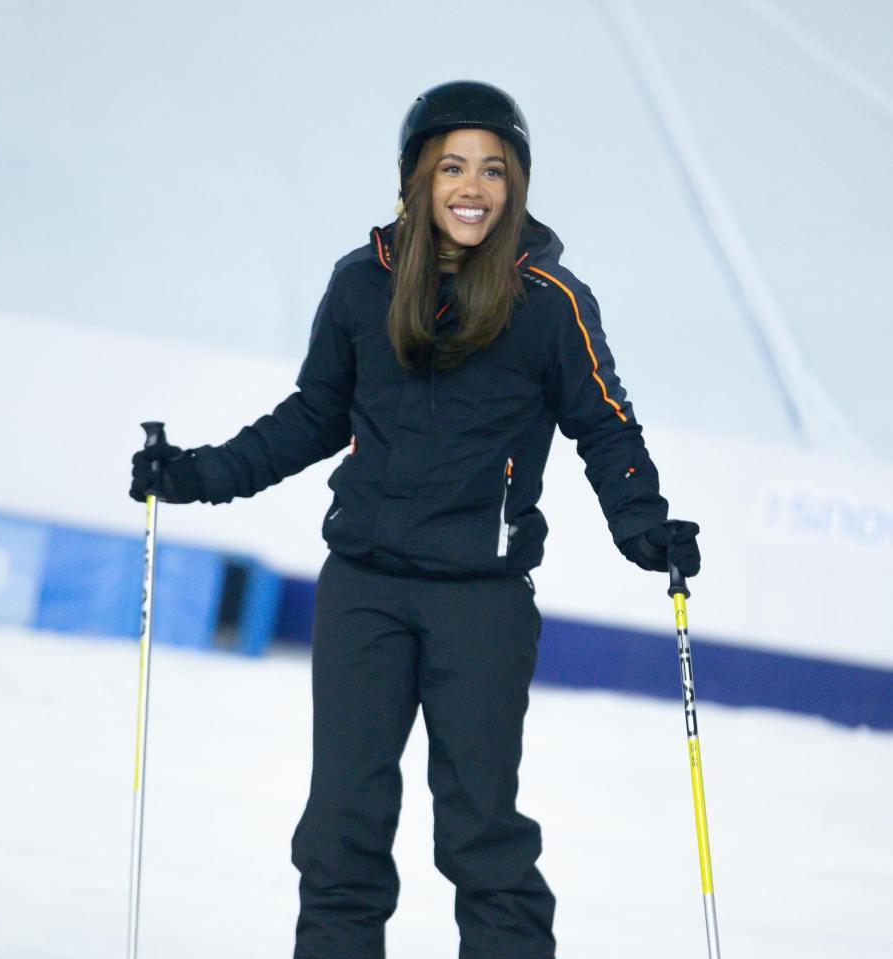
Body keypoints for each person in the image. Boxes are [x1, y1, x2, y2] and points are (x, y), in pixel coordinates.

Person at [130, 80, 701, 959]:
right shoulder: (362, 284)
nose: (472, 188)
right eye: (451, 167)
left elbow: (604, 424)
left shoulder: (548, 301)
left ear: (515, 185)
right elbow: (312, 417)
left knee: (479, 830)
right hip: (364, 590)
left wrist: (644, 525)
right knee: (341, 827)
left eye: (493, 170)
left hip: (481, 601)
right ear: (416, 178)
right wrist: (195, 475)